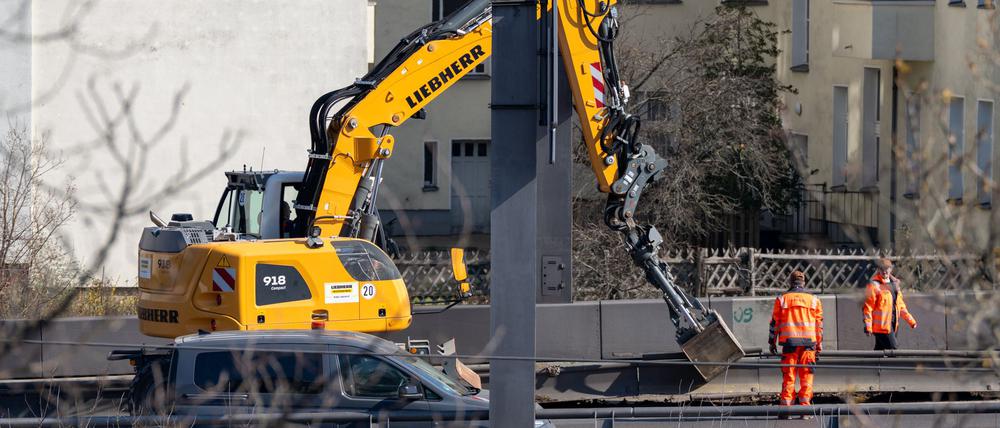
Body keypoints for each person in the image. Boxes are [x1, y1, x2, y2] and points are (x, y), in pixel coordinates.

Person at [769, 270, 823, 411]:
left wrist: (772, 342)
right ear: (804, 282)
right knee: (807, 378)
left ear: (790, 282)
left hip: (789, 344)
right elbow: (819, 325)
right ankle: (805, 410)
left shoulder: (782, 299)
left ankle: (787, 409)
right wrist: (819, 344)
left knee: (789, 377)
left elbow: (774, 323)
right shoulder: (814, 300)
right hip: (809, 345)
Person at [863, 258, 917, 350]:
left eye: (886, 268)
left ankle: (874, 359)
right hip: (881, 327)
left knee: (880, 350)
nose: (884, 271)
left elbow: (900, 306)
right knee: (893, 348)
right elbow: (868, 308)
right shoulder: (874, 285)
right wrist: (868, 327)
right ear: (878, 270)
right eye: (882, 269)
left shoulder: (894, 285)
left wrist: (910, 320)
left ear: (891, 269)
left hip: (893, 324)